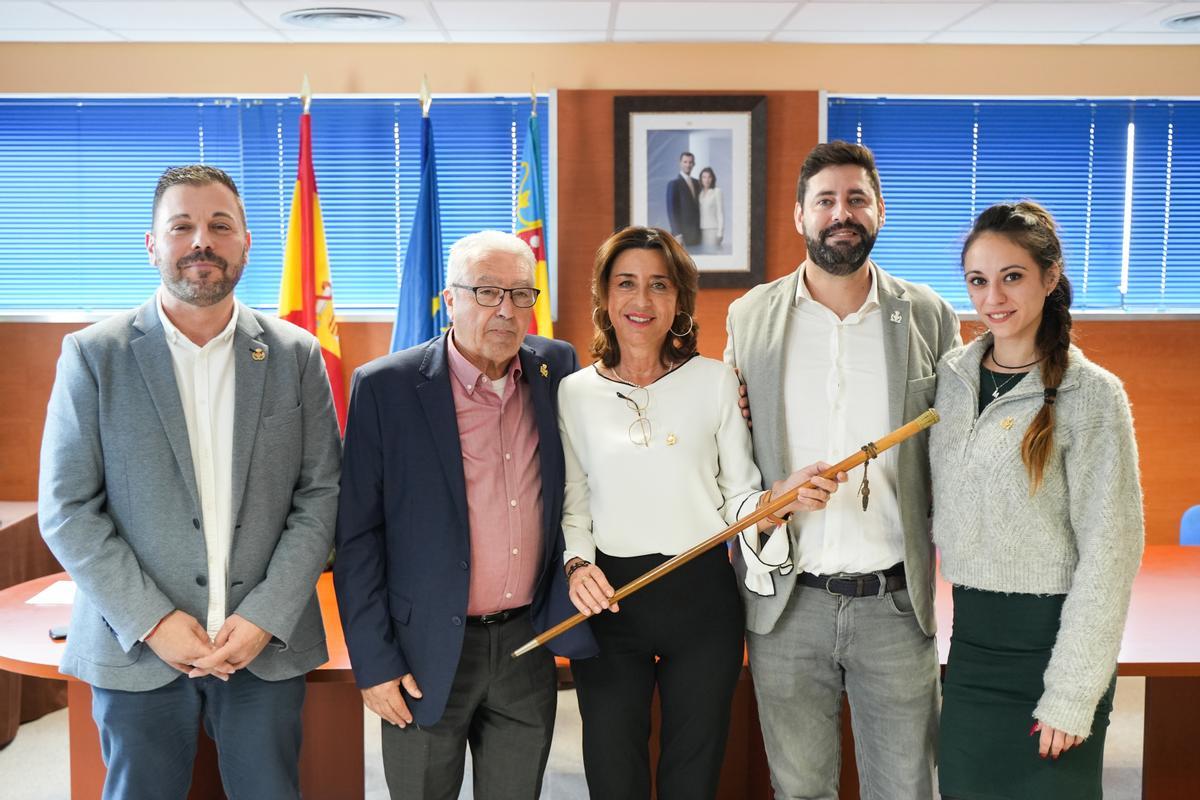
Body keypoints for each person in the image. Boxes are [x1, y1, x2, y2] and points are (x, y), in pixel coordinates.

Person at [38, 164, 342, 800]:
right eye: (182, 226)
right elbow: (68, 509)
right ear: (151, 243)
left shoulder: (296, 354)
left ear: (245, 242)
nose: (201, 241)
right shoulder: (95, 356)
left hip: (264, 646)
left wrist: (263, 615)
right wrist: (153, 621)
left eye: (219, 225)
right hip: (137, 649)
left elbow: (321, 497)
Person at [561, 225, 842, 800]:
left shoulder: (716, 382)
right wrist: (576, 566)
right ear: (605, 298)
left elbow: (739, 497)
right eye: (627, 284)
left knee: (694, 772)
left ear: (679, 302)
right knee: (613, 772)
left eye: (659, 286)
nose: (642, 301)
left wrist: (774, 504)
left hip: (703, 599)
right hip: (612, 600)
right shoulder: (573, 392)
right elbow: (575, 503)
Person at [724, 141, 960, 800]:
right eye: (825, 200)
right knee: (800, 790)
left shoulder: (930, 315)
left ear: (879, 210)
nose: (841, 213)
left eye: (856, 198)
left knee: (906, 787)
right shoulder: (750, 319)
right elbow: (732, 455)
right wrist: (772, 497)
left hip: (894, 602)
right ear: (801, 216)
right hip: (788, 604)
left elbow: (955, 449)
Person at [333, 230, 597, 800]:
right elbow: (357, 539)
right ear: (450, 300)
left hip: (527, 644)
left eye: (521, 294)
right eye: (485, 291)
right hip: (422, 651)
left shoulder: (558, 368)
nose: (505, 309)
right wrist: (374, 662)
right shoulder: (386, 387)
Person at [932, 201, 1144, 800]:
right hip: (971, 649)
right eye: (978, 280)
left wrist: (1073, 694)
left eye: (1013, 276)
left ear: (1050, 278)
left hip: (1055, 650)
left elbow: (1111, 555)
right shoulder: (949, 378)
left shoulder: (1094, 396)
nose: (993, 296)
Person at [665, 151, 701, 246]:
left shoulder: (698, 183)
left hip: (698, 234)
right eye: (685, 162)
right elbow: (671, 211)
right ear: (680, 163)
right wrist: (677, 234)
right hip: (682, 235)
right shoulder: (673, 184)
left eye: (690, 162)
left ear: (694, 164)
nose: (688, 165)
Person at [697, 166, 725, 253]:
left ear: (713, 178)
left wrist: (720, 233)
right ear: (701, 179)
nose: (707, 180)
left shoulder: (717, 191)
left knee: (713, 254)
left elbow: (720, 213)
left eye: (709, 177)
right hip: (700, 230)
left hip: (713, 230)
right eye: (704, 177)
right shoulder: (700, 193)